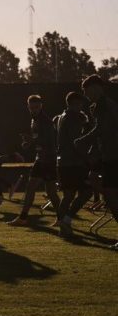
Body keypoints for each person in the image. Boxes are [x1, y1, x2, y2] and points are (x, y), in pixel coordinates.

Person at [75, 75, 118, 249]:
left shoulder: (104, 106)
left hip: (113, 156)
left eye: (87, 91)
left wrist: (82, 140)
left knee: (111, 195)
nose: (86, 96)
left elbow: (102, 129)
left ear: (96, 88)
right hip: (108, 156)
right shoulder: (104, 105)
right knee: (98, 183)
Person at [8, 95, 61, 227]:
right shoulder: (35, 120)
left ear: (41, 106)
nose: (34, 110)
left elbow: (49, 142)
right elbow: (39, 139)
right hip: (41, 158)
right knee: (36, 189)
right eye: (32, 107)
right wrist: (29, 142)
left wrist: (31, 141)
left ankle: (62, 218)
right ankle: (24, 217)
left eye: (36, 107)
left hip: (48, 159)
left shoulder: (46, 121)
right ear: (28, 107)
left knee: (49, 192)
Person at [55, 91, 93, 237]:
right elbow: (77, 141)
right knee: (86, 192)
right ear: (73, 103)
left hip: (65, 161)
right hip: (74, 162)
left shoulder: (62, 117)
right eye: (79, 103)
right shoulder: (73, 117)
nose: (81, 106)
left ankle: (63, 223)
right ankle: (66, 220)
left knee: (68, 195)